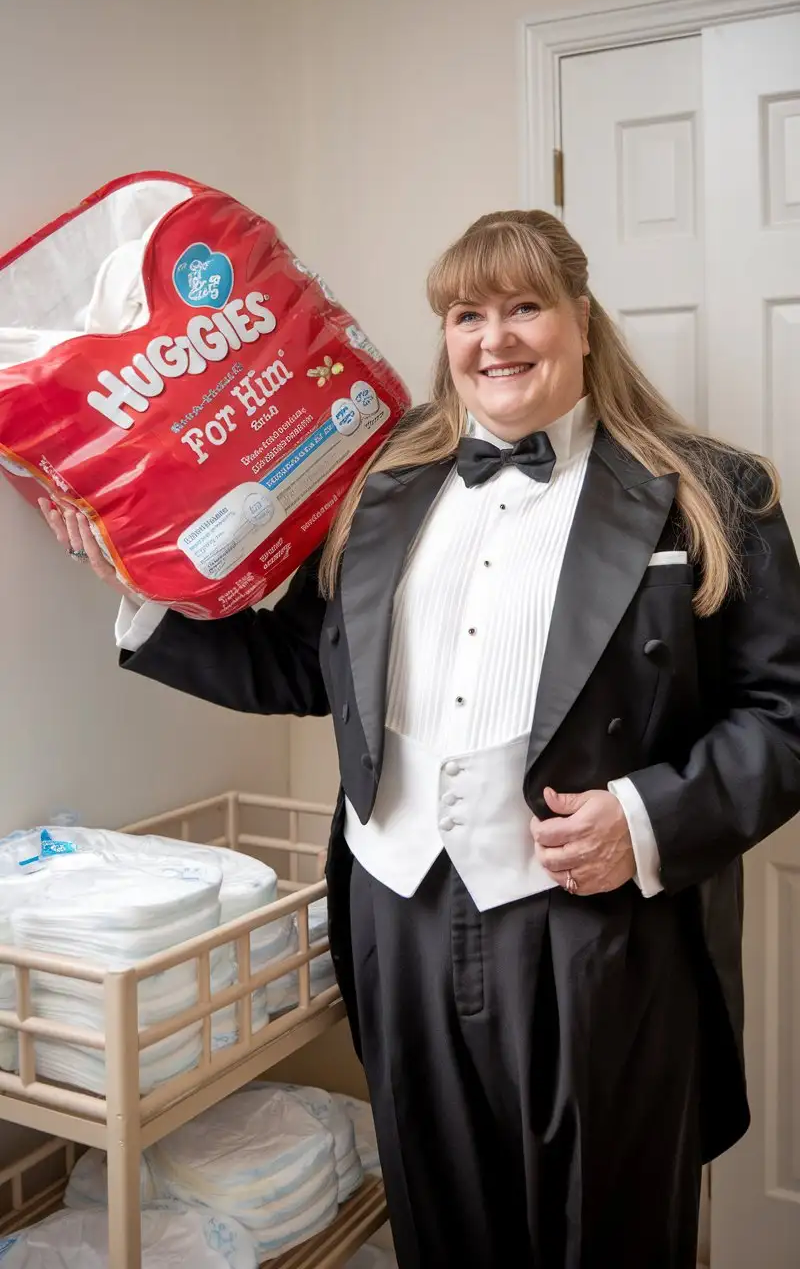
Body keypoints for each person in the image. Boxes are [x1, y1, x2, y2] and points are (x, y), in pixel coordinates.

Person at [41, 210, 800, 1269]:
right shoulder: (376, 487)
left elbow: (782, 712)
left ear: (581, 321)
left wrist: (643, 816)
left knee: (608, 1230)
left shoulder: (708, 493)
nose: (493, 337)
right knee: (442, 1225)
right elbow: (310, 667)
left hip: (596, 931)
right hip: (395, 910)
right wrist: (140, 593)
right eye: (464, 313)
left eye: (522, 306)